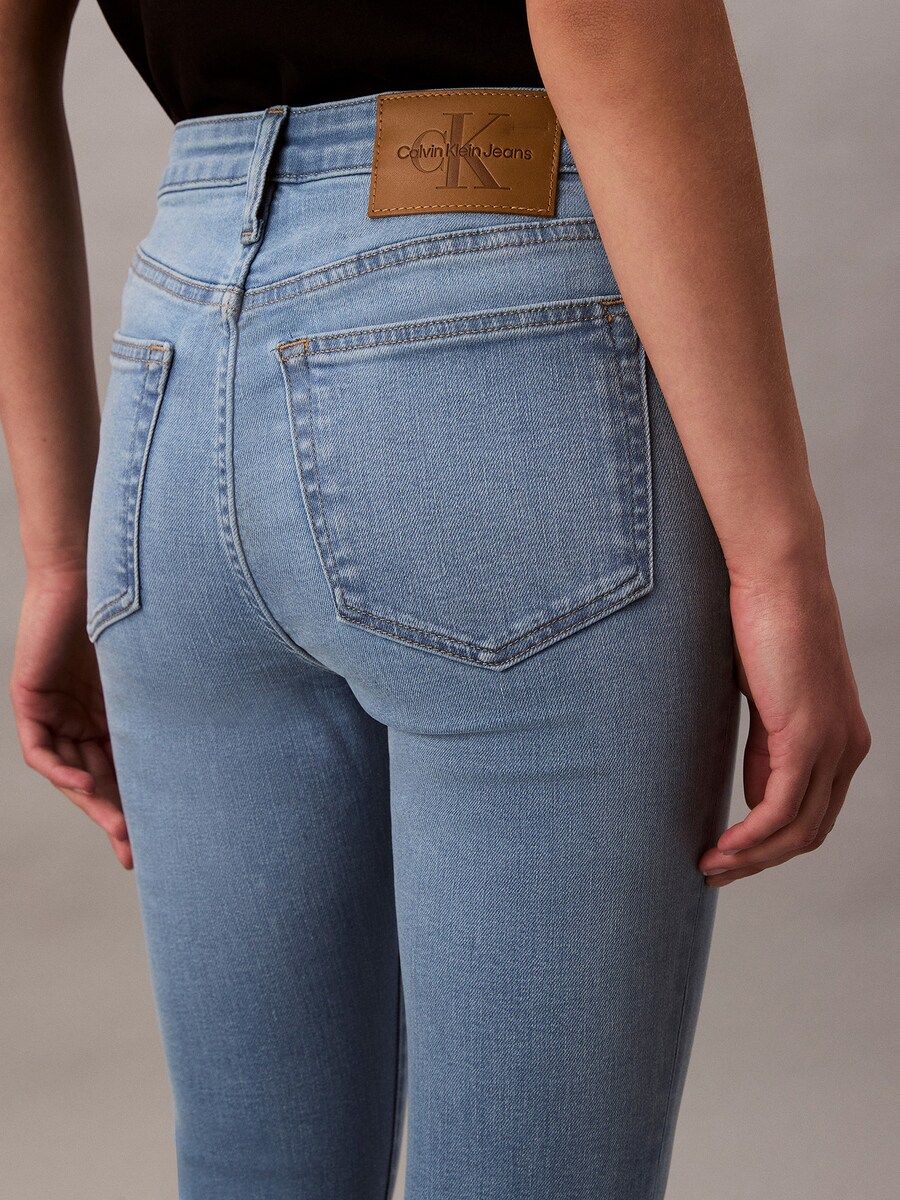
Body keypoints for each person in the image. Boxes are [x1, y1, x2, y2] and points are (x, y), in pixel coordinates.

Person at [1, 1, 871, 1197]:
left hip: (179, 371)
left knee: (255, 1169)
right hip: (496, 321)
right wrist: (779, 562)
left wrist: (61, 553)